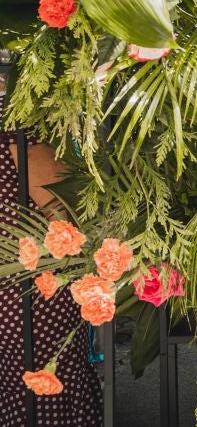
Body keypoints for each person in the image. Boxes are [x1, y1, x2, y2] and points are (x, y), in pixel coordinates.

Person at [1, 67, 102, 426]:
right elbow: (59, 202)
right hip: (26, 286)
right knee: (45, 387)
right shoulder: (16, 112)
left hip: (15, 281)